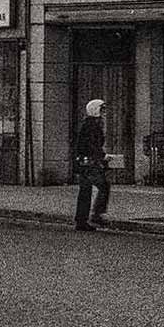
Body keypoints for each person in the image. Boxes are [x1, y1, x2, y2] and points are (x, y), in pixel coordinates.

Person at [72, 99, 111, 231]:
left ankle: (81, 220)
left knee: (85, 190)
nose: (104, 113)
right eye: (102, 110)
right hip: (89, 163)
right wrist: (103, 156)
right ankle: (96, 215)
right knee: (103, 185)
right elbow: (92, 145)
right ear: (95, 110)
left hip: (83, 162)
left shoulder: (89, 124)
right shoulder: (92, 125)